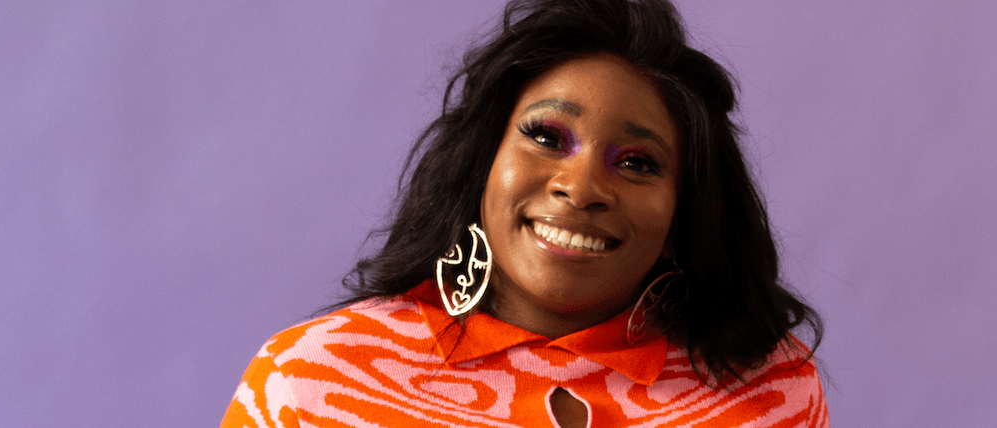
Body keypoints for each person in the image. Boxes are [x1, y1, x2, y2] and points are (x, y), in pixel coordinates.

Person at [220, 0, 828, 426]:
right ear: (484, 161)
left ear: (686, 209)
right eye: (546, 136)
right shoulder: (310, 380)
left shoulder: (771, 394)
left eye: (638, 162)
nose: (581, 186)